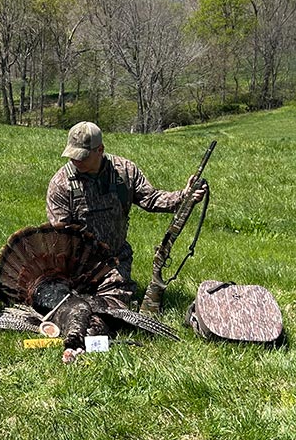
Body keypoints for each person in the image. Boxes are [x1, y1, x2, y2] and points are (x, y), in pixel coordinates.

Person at [46, 121, 206, 317]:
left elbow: (151, 199)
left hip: (115, 259)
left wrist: (184, 196)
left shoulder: (124, 171)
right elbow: (60, 236)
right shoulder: (61, 183)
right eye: (72, 155)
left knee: (112, 309)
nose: (75, 161)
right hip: (78, 265)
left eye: (82, 156)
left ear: (100, 150)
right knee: (66, 307)